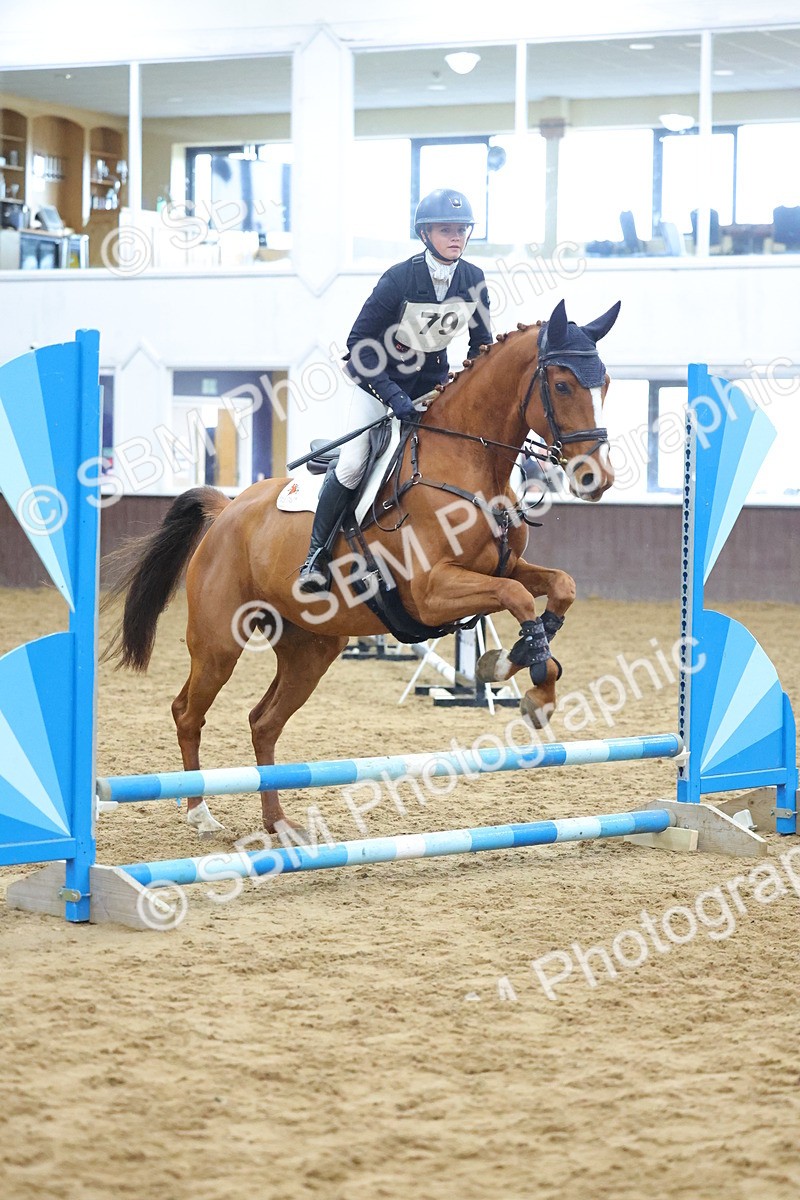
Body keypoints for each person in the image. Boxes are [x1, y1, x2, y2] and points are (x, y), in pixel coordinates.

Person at [297, 187, 493, 593]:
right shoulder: (398, 280)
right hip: (379, 389)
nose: (455, 237)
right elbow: (358, 349)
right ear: (425, 235)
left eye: (461, 230)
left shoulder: (473, 280)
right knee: (353, 464)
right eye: (445, 230)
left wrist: (464, 389)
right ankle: (315, 555)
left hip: (434, 390)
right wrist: (394, 397)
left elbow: (481, 346)